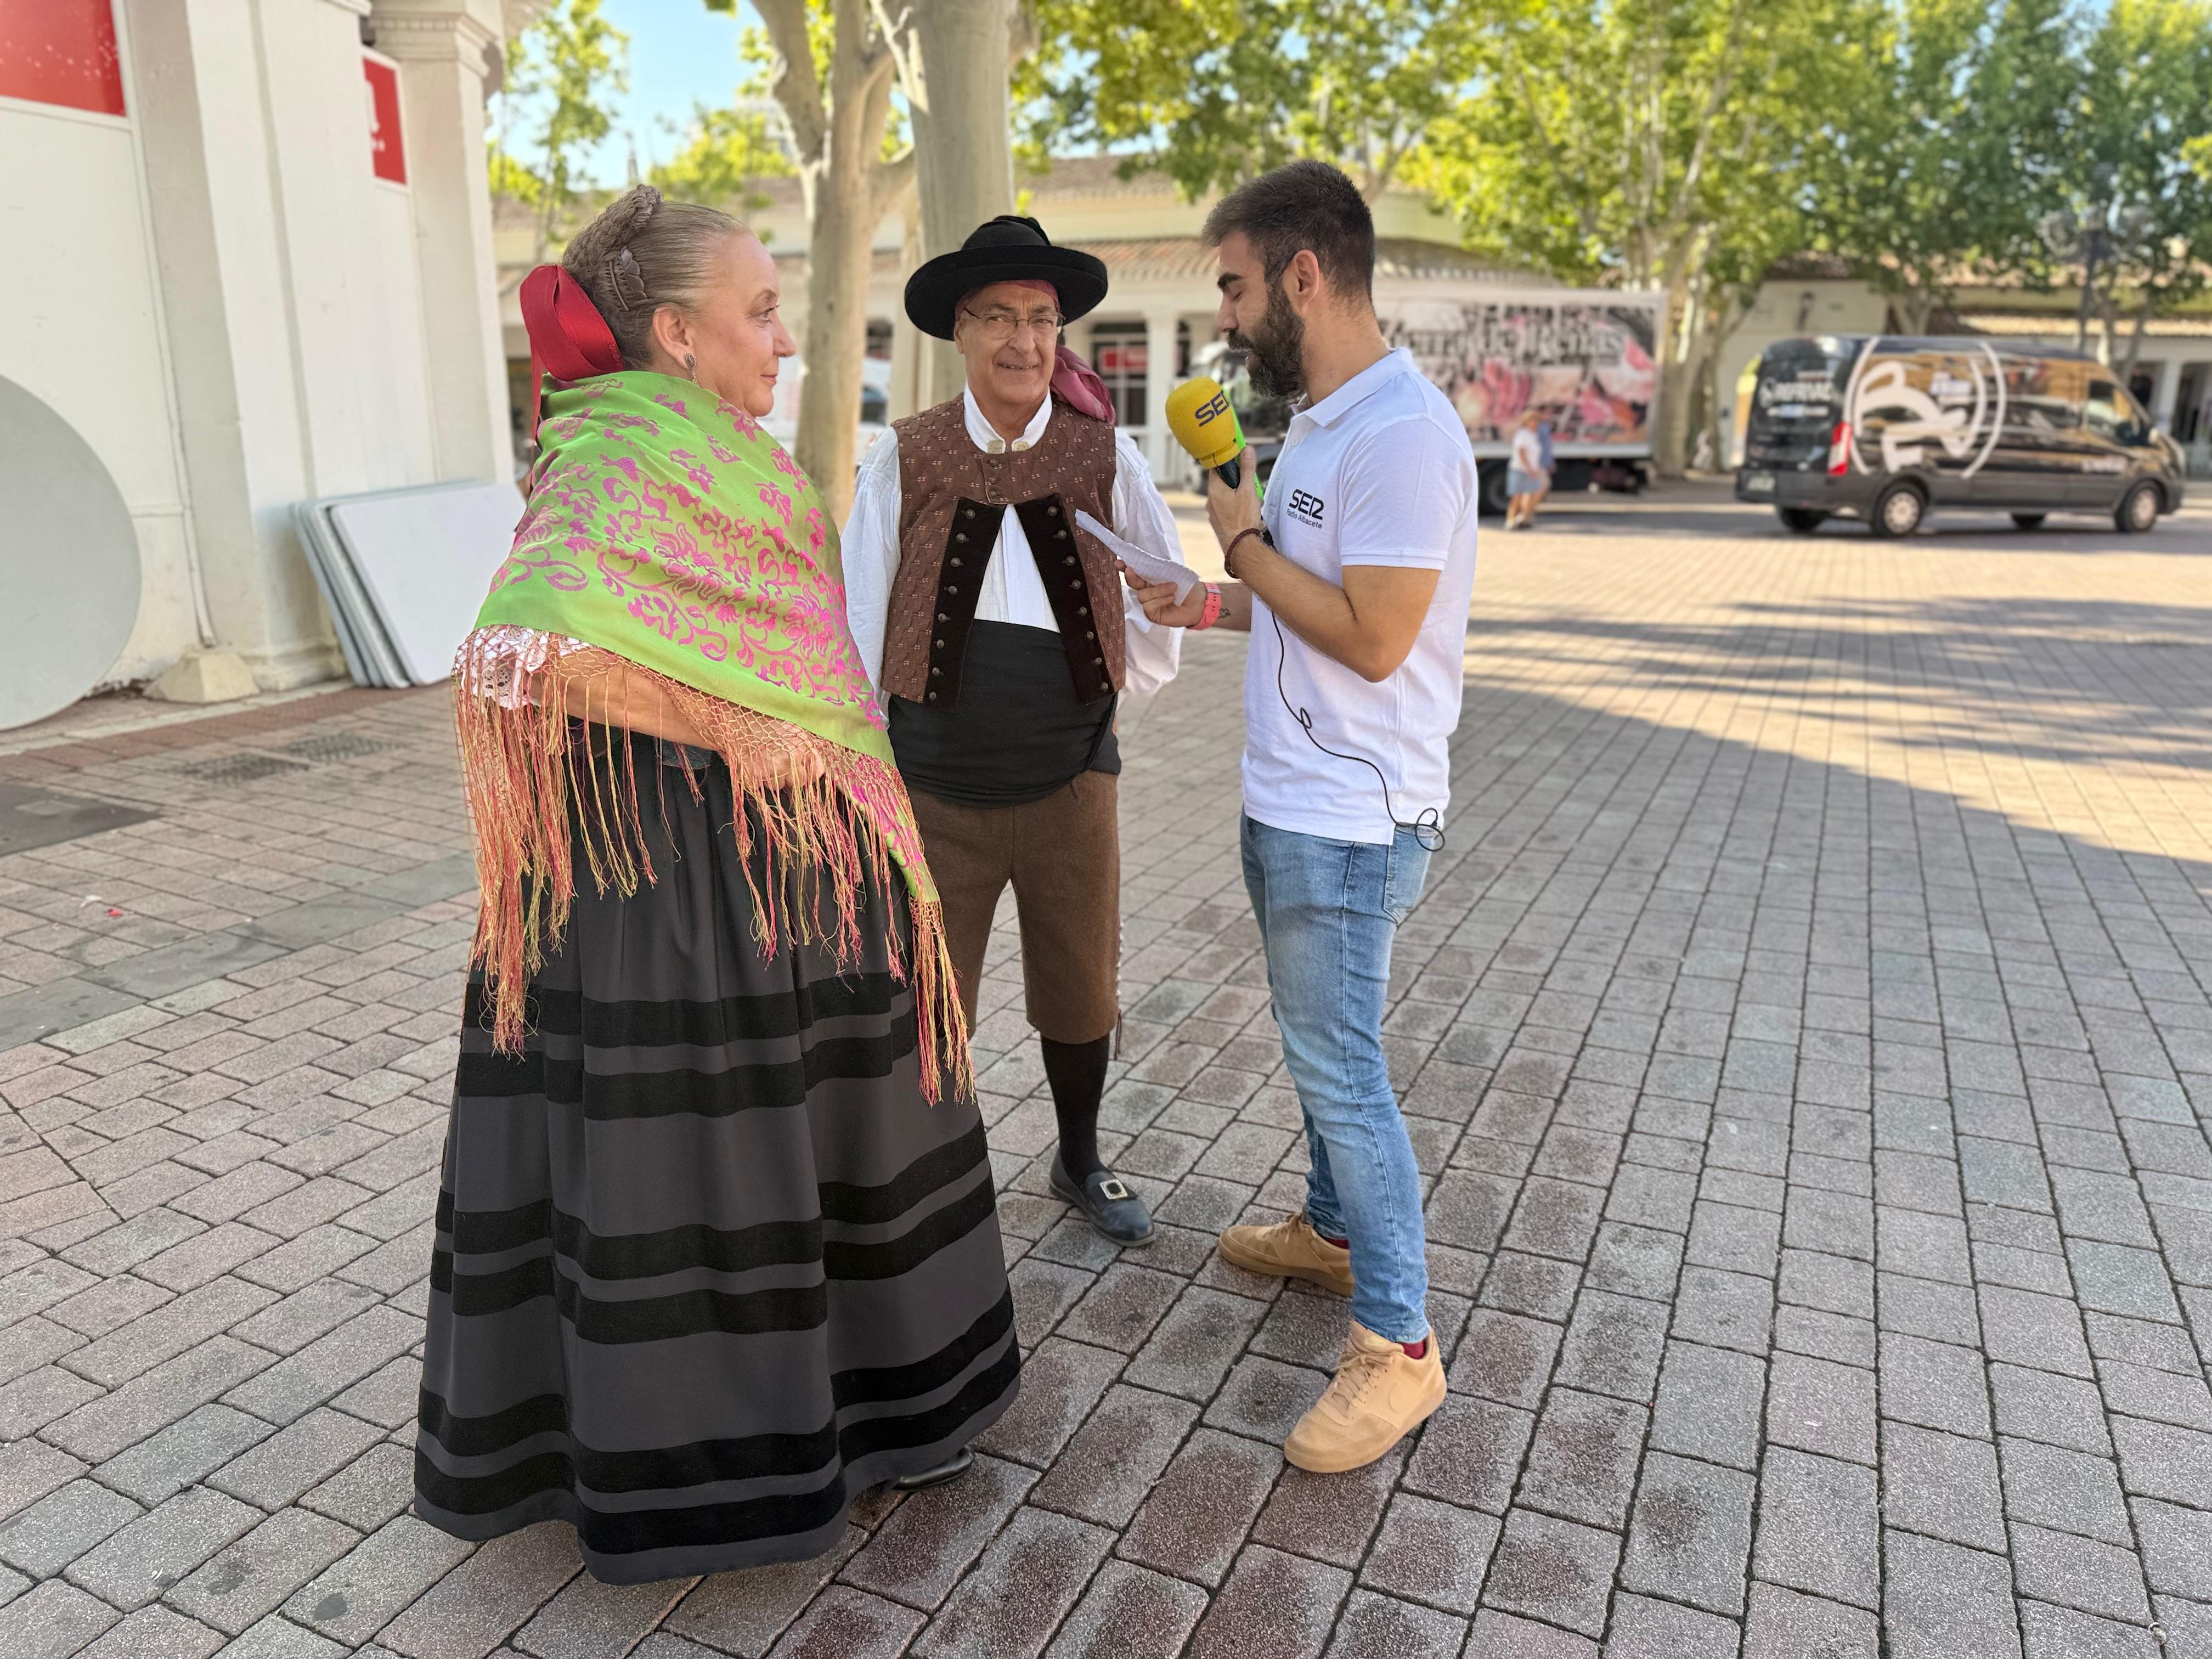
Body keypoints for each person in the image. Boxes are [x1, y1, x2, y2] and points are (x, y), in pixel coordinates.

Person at [416, 186, 1018, 1584]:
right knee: (704, 1153)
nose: (783, 340)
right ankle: (706, 1472)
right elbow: (516, 648)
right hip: (666, 894)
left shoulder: (730, 459)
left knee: (820, 1138)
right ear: (675, 337)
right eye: (760, 313)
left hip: (780, 870)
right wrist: (732, 725)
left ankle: (876, 1413)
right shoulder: (616, 451)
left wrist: (781, 738)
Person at [1126, 160, 1479, 1473]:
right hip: (1294, 798)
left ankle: (1400, 1349)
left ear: (1305, 275)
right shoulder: (1325, 422)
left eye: (1232, 283)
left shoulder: (1401, 436)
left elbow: (1379, 640)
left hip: (1352, 816)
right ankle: (1334, 1238)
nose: (1224, 315)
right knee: (1318, 1042)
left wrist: (1241, 549)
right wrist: (1214, 602)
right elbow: (1306, 601)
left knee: (1343, 1068)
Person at [843, 216, 1184, 1247]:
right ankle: (936, 1173)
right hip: (932, 786)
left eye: (1042, 319)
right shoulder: (902, 454)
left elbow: (1160, 580)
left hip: (1070, 778)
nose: (1023, 341)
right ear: (962, 328)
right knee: (925, 994)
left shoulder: (1102, 450)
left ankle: (1079, 1156)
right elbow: (860, 610)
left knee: (1080, 987)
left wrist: (1108, 710)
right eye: (999, 316)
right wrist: (863, 760)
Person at [1506, 409, 1547, 529]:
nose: (1535, 423)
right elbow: (1522, 453)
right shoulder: (1522, 435)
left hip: (1531, 470)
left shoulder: (1533, 435)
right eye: (1532, 421)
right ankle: (1510, 520)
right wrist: (1530, 469)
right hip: (1520, 469)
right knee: (1517, 497)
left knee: (1532, 495)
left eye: (1537, 421)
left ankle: (1524, 519)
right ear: (1527, 422)